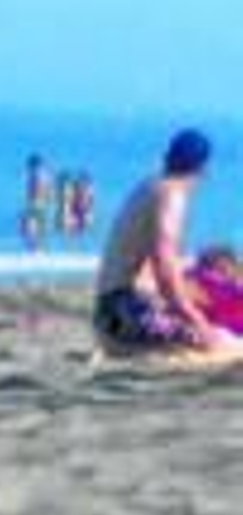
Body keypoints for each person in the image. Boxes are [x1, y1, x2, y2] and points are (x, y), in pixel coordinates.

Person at [93, 129, 232, 353]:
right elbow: (165, 271)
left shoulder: (151, 186)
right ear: (203, 168)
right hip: (124, 316)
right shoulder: (172, 195)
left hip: (109, 315)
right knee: (222, 345)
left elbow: (150, 274)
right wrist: (197, 322)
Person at [20, 154, 52, 251]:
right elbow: (48, 191)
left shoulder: (37, 175)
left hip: (36, 204)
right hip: (40, 204)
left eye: (30, 166)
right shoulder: (44, 175)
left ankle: (35, 247)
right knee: (35, 226)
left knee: (30, 225)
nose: (28, 169)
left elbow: (36, 191)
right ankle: (38, 247)